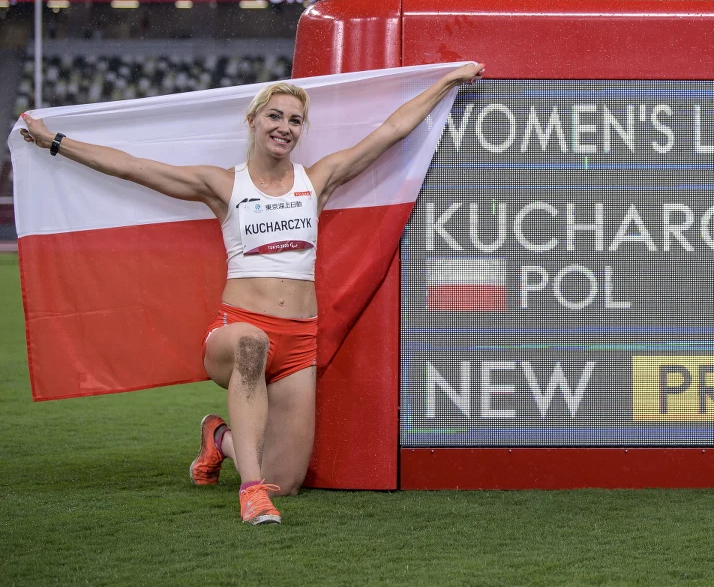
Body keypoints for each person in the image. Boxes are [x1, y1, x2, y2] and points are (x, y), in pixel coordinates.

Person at [18, 62, 485, 524]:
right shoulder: (224, 184)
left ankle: (216, 438)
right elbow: (134, 167)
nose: (284, 127)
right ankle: (250, 493)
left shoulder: (316, 180)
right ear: (254, 121)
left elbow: (390, 132)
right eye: (275, 116)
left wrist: (446, 82)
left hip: (299, 342)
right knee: (251, 344)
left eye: (295, 120)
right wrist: (54, 141)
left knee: (289, 480)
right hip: (236, 332)